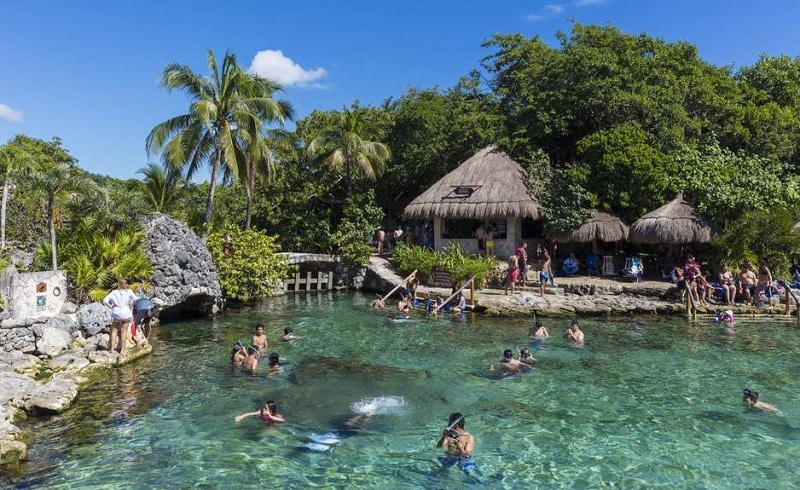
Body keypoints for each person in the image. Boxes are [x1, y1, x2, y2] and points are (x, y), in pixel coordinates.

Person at [102, 279, 138, 355]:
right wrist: (130, 306)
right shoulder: (128, 291)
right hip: (126, 313)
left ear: (118, 284)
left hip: (116, 313)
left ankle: (112, 349)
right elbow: (135, 299)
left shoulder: (114, 292)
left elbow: (105, 301)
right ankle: (122, 350)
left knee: (114, 330)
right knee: (124, 331)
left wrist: (111, 306)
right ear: (126, 284)